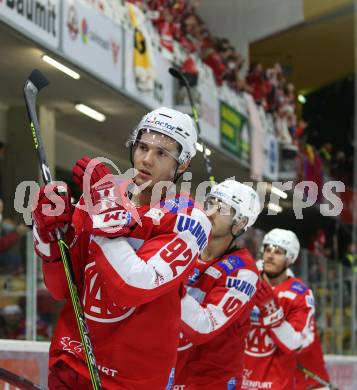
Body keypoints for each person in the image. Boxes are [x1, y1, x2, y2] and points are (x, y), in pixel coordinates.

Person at [32, 107, 211, 389]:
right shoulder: (103, 193)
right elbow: (62, 288)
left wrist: (103, 209)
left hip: (131, 379)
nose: (147, 159)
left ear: (183, 164)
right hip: (72, 362)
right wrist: (49, 237)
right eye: (142, 147)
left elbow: (134, 286)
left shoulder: (188, 219)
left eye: (162, 153)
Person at [173, 180, 261, 389]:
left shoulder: (243, 272)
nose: (210, 212)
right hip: (170, 374)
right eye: (210, 202)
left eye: (220, 208)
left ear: (239, 223)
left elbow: (203, 326)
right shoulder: (188, 244)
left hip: (209, 383)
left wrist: (167, 283)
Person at [242, 228, 315, 390]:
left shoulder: (300, 294)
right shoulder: (246, 279)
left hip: (275, 384)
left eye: (278, 252)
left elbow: (295, 343)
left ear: (290, 258)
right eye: (267, 249)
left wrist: (273, 313)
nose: (270, 255)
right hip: (236, 381)